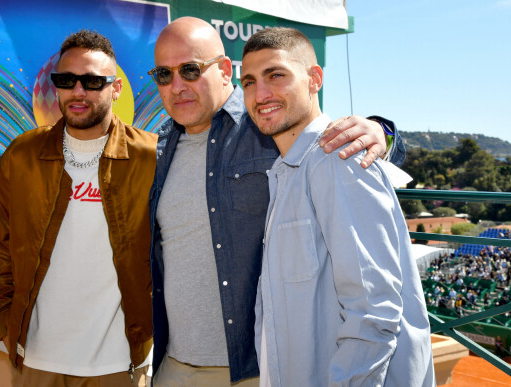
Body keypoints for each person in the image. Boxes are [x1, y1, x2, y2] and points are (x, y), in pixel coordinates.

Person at [148, 17, 406, 386]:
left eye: (190, 70)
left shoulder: (269, 124)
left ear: (224, 70)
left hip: (259, 368)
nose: (177, 86)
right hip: (174, 365)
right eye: (163, 74)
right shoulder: (156, 147)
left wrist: (382, 132)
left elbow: (346, 157)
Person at [240, 27, 434, 386]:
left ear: (314, 79)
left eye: (276, 75)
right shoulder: (286, 170)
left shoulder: (338, 158)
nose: (260, 93)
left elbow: (374, 313)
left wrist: (384, 131)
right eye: (249, 82)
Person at [0, 30, 157, 386]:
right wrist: (3, 322)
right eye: (67, 80)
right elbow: (0, 245)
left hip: (119, 362)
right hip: (37, 359)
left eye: (93, 81)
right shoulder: (22, 155)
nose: (78, 91)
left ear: (116, 88)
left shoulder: (150, 157)